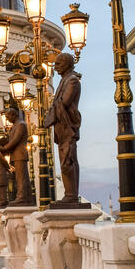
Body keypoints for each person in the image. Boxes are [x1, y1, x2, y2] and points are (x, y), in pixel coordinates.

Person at [43, 52, 82, 203]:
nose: (55, 67)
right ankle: (69, 193)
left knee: (68, 160)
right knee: (64, 160)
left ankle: (71, 195)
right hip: (62, 126)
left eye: (58, 64)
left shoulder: (72, 81)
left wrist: (49, 117)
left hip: (68, 125)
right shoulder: (64, 81)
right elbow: (58, 103)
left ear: (66, 64)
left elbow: (63, 102)